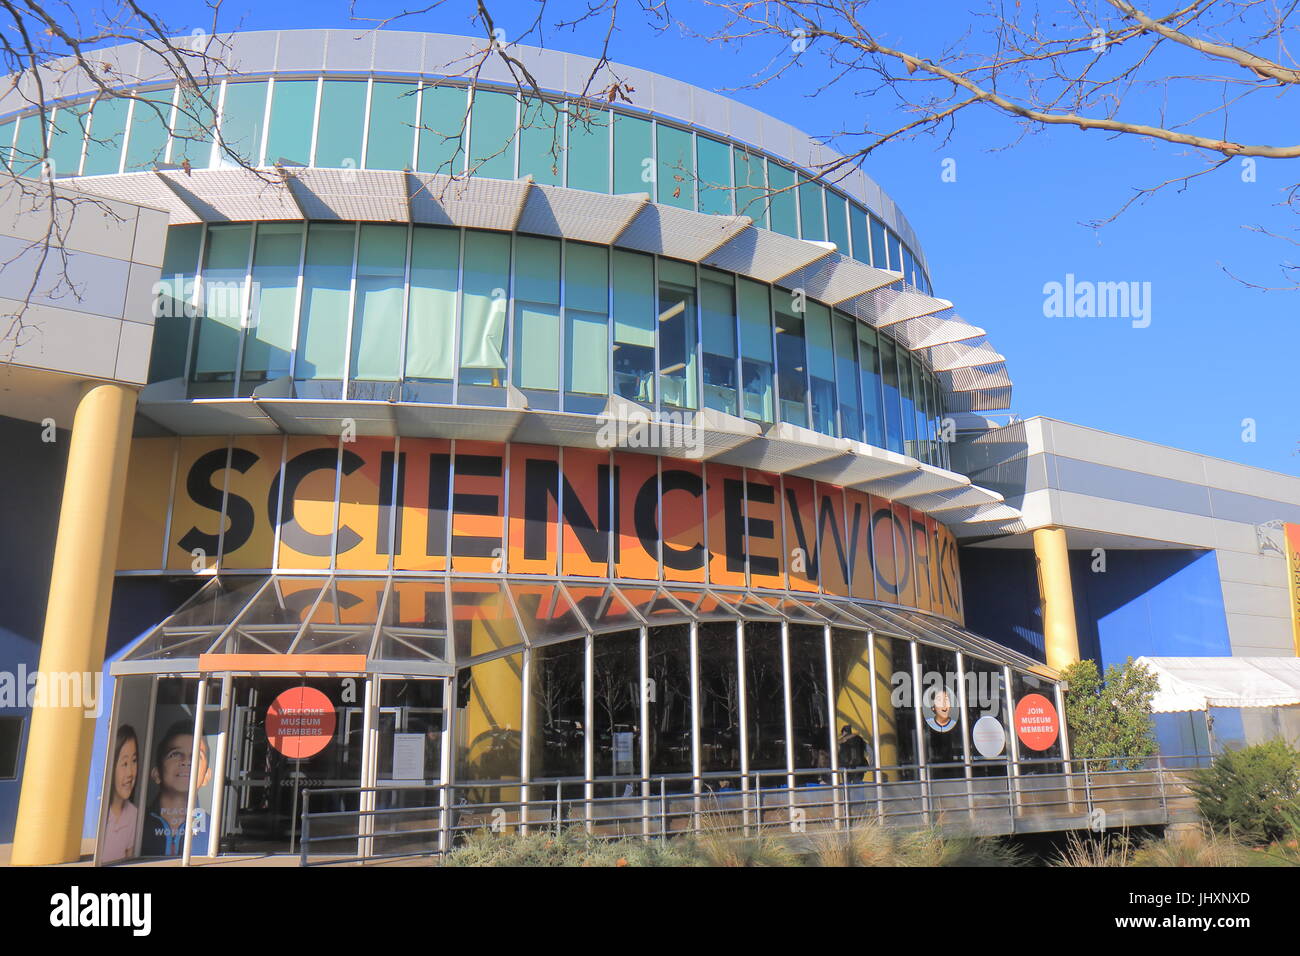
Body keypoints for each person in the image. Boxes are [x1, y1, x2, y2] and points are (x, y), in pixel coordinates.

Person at [140, 720, 211, 857]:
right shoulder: (137, 825)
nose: (186, 761)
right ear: (156, 773)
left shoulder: (213, 829)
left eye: (197, 756)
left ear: (207, 775)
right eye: (175, 754)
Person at [100, 724, 140, 863]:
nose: (130, 773)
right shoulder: (97, 812)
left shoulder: (134, 815)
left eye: (134, 761)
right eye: (124, 764)